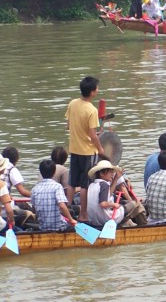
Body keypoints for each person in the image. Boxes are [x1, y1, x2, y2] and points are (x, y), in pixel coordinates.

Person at [65, 76, 105, 222]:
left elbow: (68, 126)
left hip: (74, 149)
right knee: (84, 185)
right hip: (88, 151)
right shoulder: (91, 110)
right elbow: (93, 136)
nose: (98, 90)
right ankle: (83, 215)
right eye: (97, 88)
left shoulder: (72, 103)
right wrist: (100, 149)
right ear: (92, 92)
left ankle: (67, 211)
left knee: (71, 182)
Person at [86, 160, 145, 228]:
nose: (112, 174)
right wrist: (113, 204)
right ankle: (144, 225)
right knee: (136, 203)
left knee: (127, 203)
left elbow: (108, 194)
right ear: (102, 174)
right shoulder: (104, 185)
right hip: (106, 219)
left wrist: (116, 178)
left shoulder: (92, 185)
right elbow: (103, 204)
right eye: (110, 172)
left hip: (94, 220)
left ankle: (129, 223)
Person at [31, 159, 75, 231]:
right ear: (54, 172)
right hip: (59, 227)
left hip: (43, 227)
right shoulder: (57, 187)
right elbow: (62, 206)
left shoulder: (34, 189)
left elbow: (34, 210)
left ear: (41, 173)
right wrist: (71, 220)